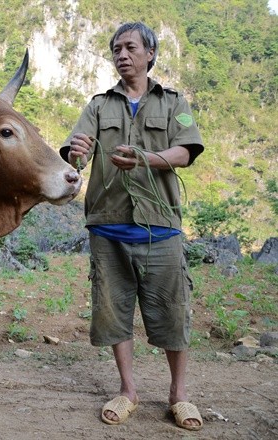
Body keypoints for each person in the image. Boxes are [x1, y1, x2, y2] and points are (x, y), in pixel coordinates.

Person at [60, 22, 204, 431]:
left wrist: (146, 158)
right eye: (116, 50)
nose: (122, 55)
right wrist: (77, 151)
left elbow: (184, 152)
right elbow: (76, 153)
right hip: (108, 225)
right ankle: (128, 391)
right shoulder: (98, 105)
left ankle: (179, 395)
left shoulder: (174, 102)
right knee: (113, 309)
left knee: (172, 312)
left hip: (161, 227)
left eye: (130, 48)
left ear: (150, 54)